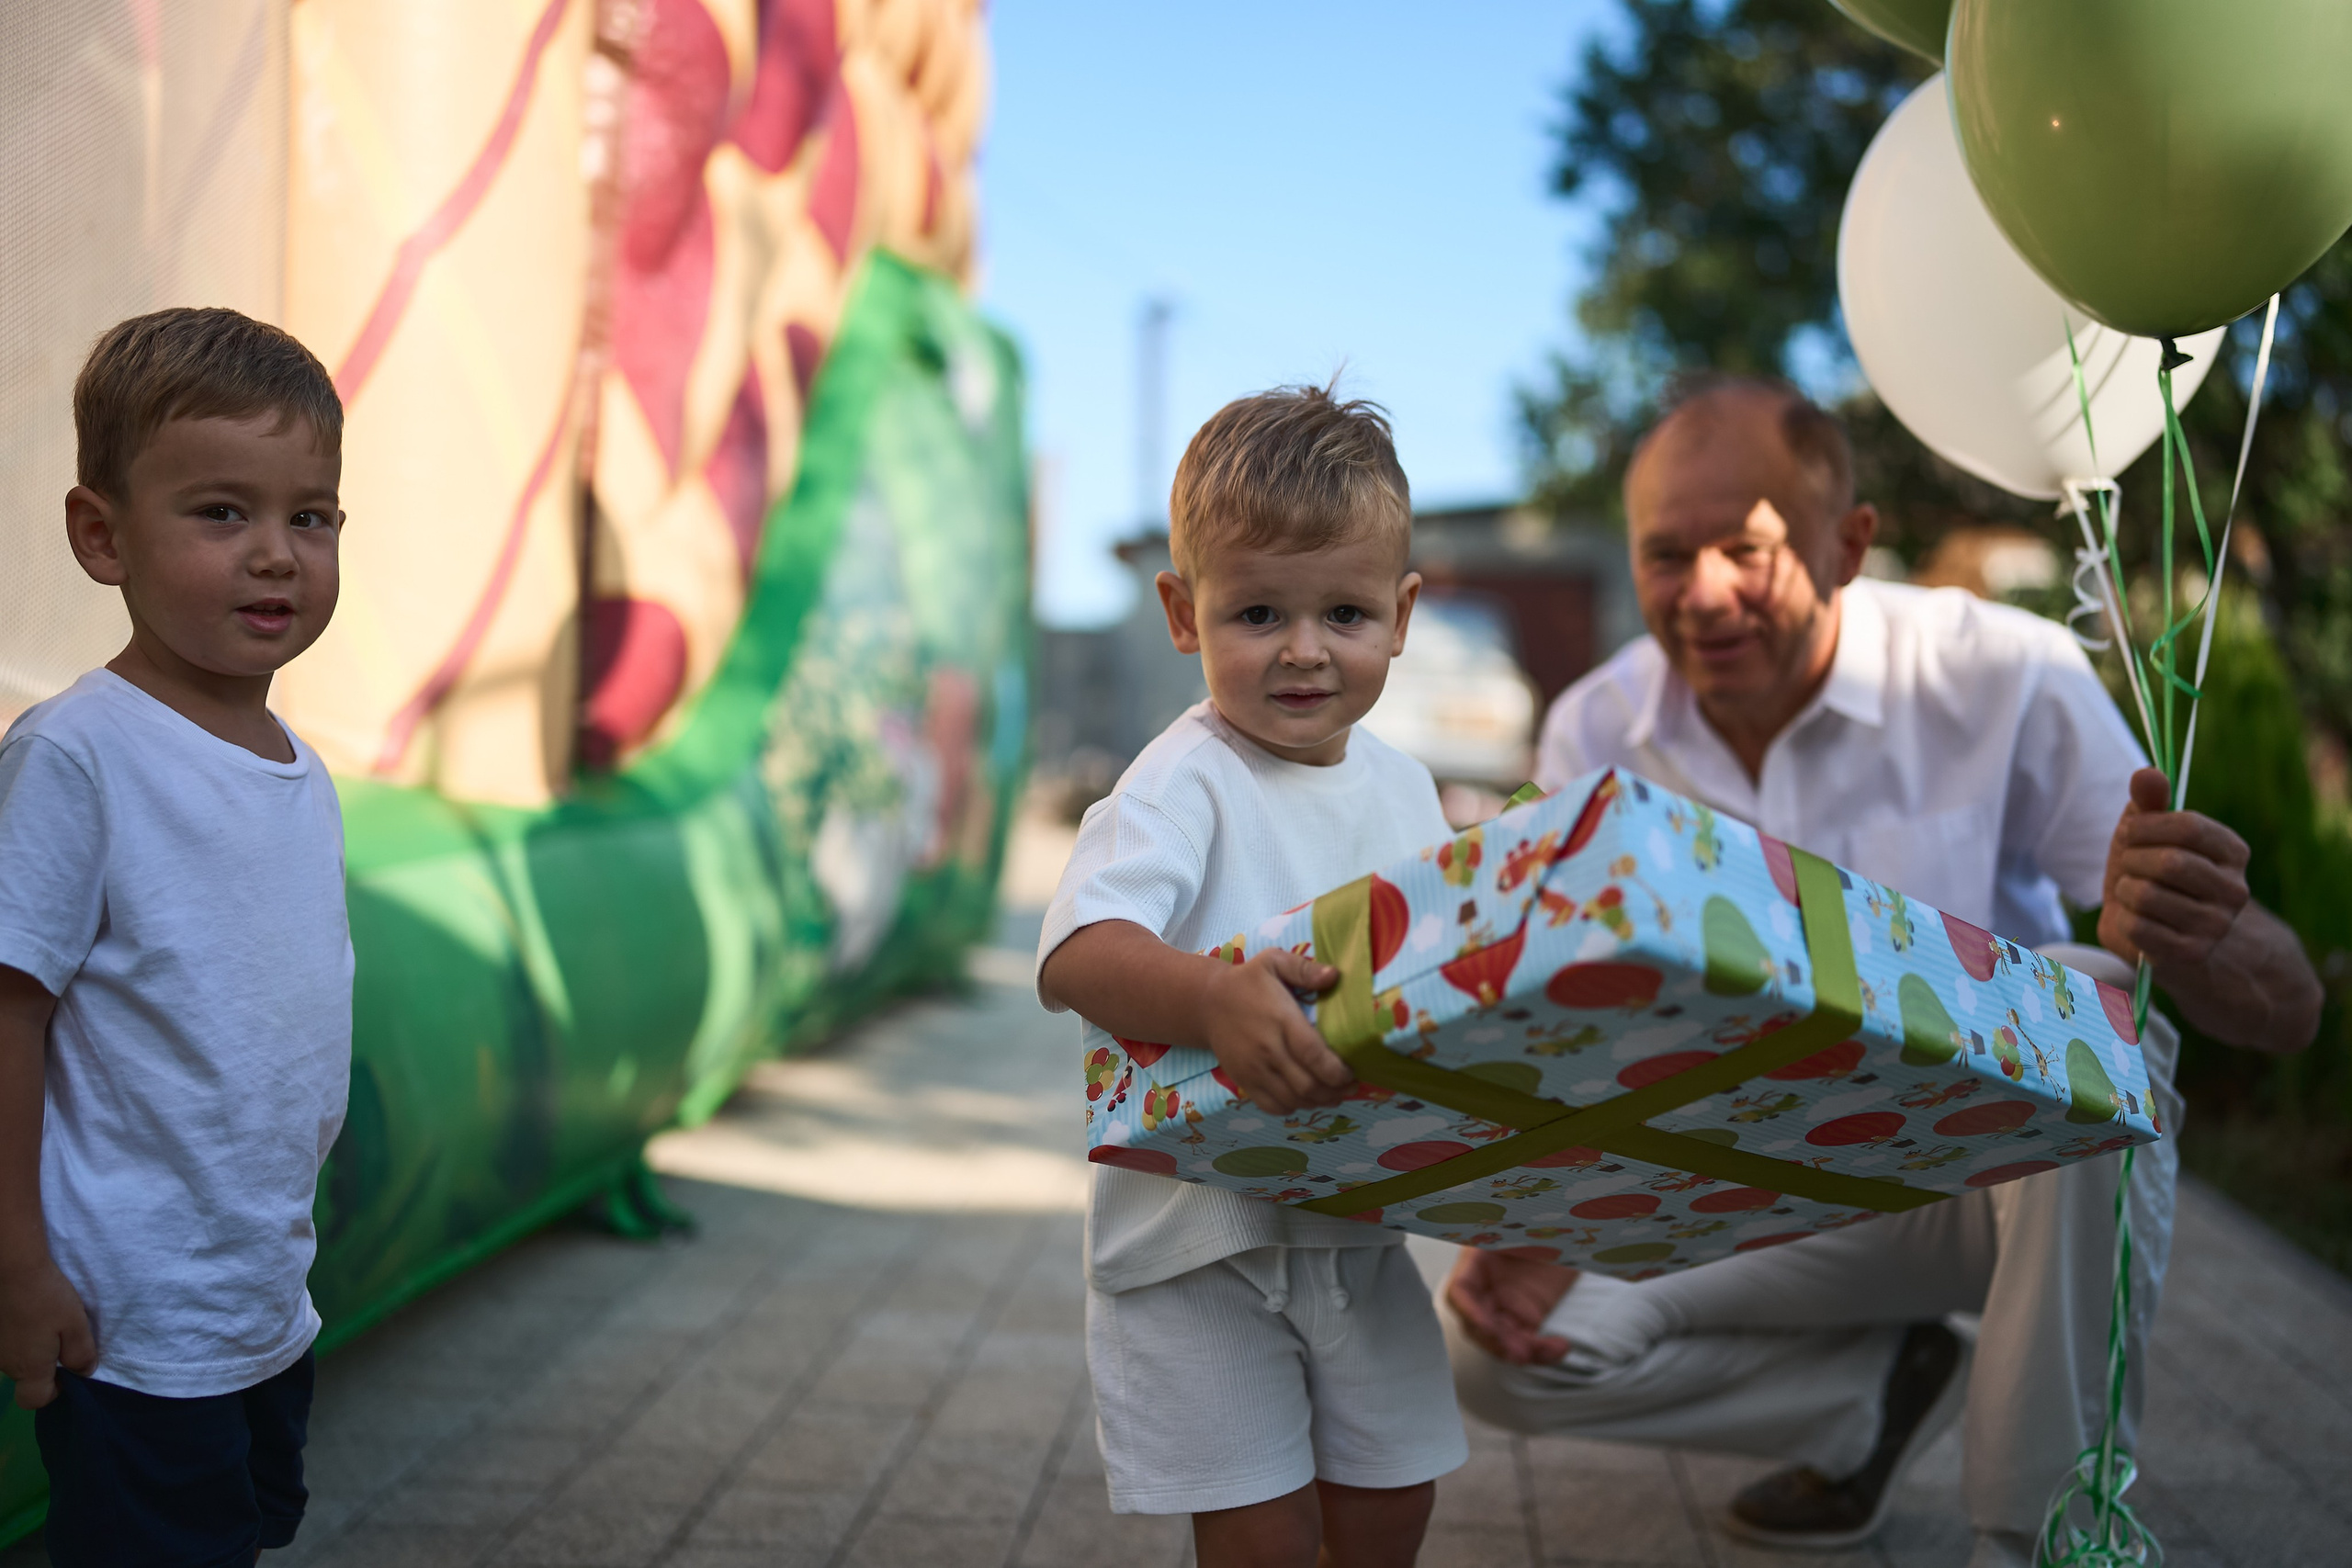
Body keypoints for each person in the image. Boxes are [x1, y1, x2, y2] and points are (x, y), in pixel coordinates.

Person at [1442, 377, 2322, 1568]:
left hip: (1978, 1182)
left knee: (2087, 992)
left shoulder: (2004, 671)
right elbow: (1580, 1033)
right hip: (1741, 1183)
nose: (1704, 592)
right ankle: (1871, 1397)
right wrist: (1549, 1201)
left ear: (1847, 544)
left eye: (1745, 548)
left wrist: (2192, 926)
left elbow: (2286, 1009)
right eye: (1666, 555)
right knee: (1491, 1347)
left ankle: (2044, 1533)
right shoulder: (1592, 732)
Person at [1036, 385, 1467, 1567]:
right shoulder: (1181, 782)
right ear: (1185, 613)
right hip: (1197, 1240)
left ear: (1401, 614)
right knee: (1259, 1533)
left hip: (1357, 1223)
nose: (1304, 649)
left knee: (1394, 1498)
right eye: (1259, 611)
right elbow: (1078, 951)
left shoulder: (1407, 792)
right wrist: (1212, 997)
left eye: (1344, 612)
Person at [0, 308, 355, 1566]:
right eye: (220, 513)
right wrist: (18, 1260)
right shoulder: (78, 756)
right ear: (102, 536)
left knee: (242, 1531)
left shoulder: (301, 767)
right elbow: (11, 1013)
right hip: (130, 1310)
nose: (275, 556)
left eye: (310, 517)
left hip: (256, 1291)